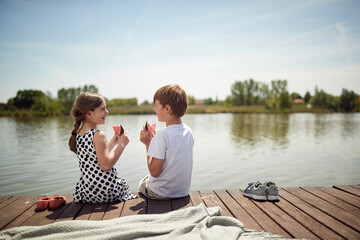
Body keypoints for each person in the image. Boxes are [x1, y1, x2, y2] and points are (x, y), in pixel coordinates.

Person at [69, 92, 137, 203]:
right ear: (89, 114)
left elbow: (96, 158)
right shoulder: (99, 135)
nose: (107, 112)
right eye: (103, 109)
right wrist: (122, 145)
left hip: (87, 192)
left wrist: (111, 144)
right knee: (124, 184)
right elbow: (105, 166)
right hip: (106, 192)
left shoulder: (78, 134)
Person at [139, 84, 194, 199]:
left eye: (156, 105)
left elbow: (154, 172)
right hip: (182, 193)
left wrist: (148, 144)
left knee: (142, 182)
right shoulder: (188, 131)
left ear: (167, 108)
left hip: (160, 194)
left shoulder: (162, 135)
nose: (154, 109)